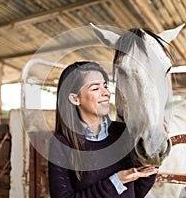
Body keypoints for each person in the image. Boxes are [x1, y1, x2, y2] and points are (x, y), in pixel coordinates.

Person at [48, 61, 159, 198]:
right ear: (75, 98)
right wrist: (115, 183)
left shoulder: (124, 133)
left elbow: (136, 193)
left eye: (105, 86)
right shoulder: (61, 144)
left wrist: (154, 147)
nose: (106, 93)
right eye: (95, 88)